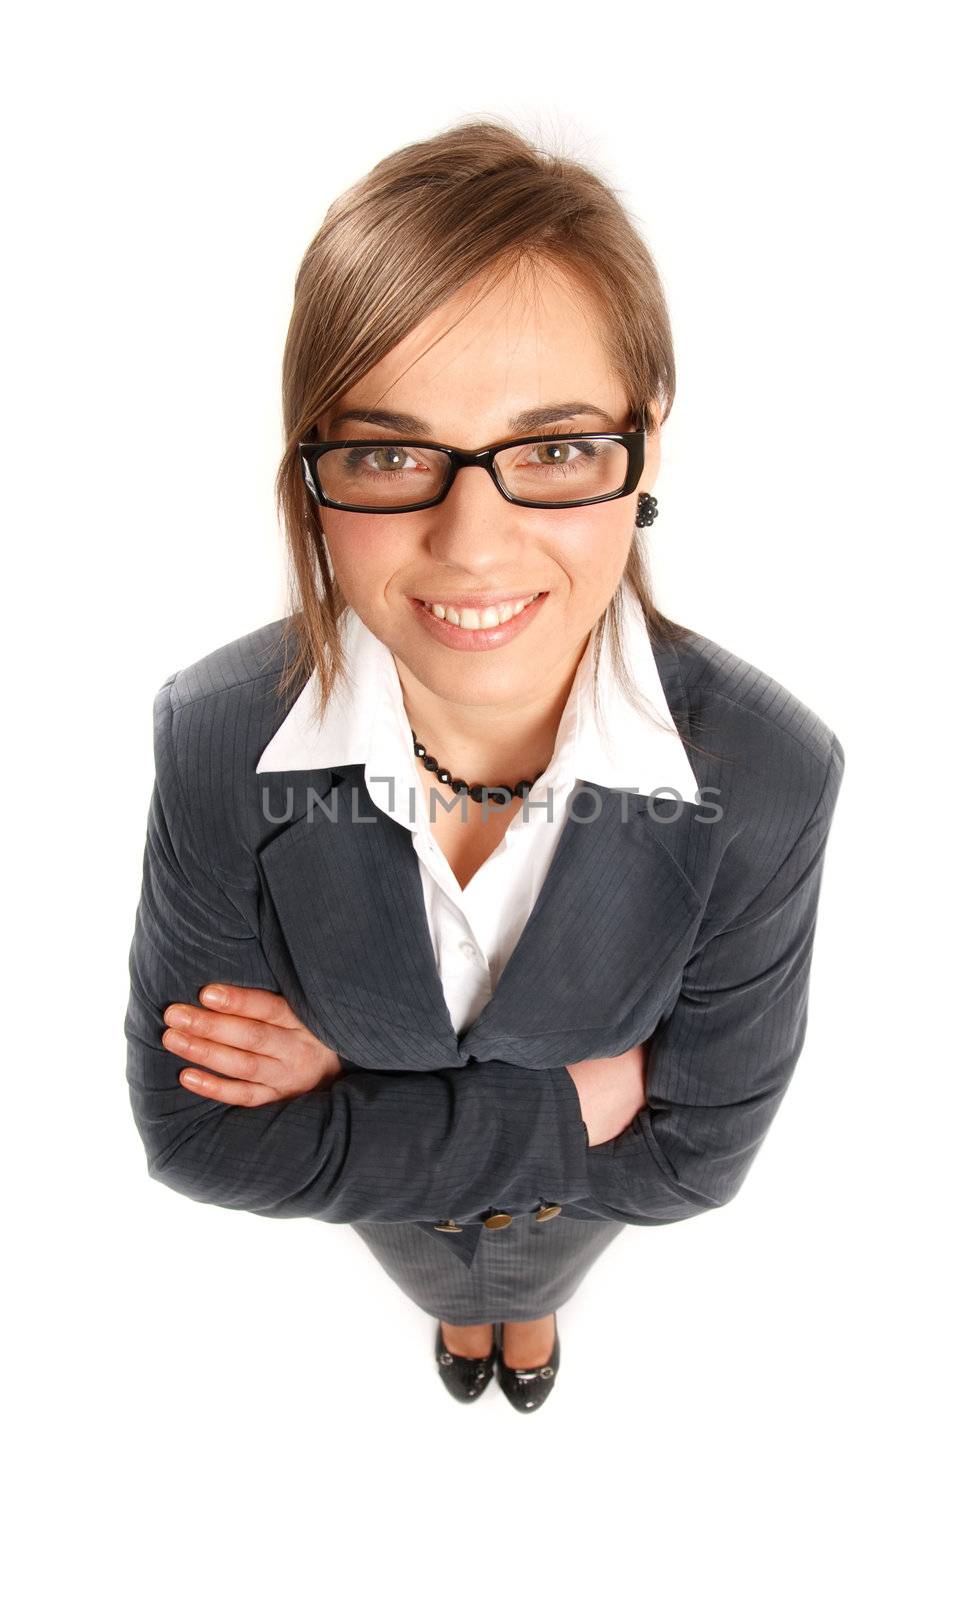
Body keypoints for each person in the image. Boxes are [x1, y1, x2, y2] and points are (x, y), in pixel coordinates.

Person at [124, 117, 844, 1413]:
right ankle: (469, 1320)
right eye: (391, 452)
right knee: (445, 1276)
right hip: (411, 1222)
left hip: (568, 1214)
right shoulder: (216, 739)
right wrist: (586, 1099)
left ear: (647, 445)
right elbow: (194, 1138)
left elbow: (696, 1168)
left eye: (557, 449)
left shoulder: (769, 773)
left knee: (535, 1266)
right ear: (311, 474)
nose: (472, 542)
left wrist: (347, 1090)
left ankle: (526, 1313)